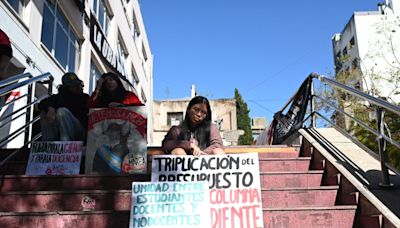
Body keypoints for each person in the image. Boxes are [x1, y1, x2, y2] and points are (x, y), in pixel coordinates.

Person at [38, 72, 89, 141]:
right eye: (74, 85)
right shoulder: (59, 97)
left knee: (62, 112)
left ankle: (65, 143)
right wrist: (51, 109)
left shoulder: (85, 98)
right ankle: (47, 144)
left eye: (78, 84)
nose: (77, 87)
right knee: (44, 112)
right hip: (60, 130)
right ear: (67, 87)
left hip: (80, 131)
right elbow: (43, 103)